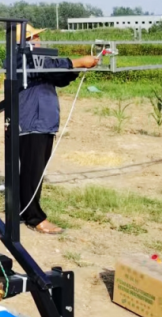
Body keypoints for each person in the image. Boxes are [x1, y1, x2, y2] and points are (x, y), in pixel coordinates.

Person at [16, 24, 99, 234]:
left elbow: (59, 77)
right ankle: (34, 218)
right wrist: (77, 61)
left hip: (44, 122)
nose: (38, 40)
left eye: (37, 37)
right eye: (33, 37)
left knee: (35, 171)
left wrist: (78, 68)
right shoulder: (20, 59)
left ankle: (22, 210)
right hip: (32, 123)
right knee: (32, 172)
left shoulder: (39, 61)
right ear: (22, 42)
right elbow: (48, 67)